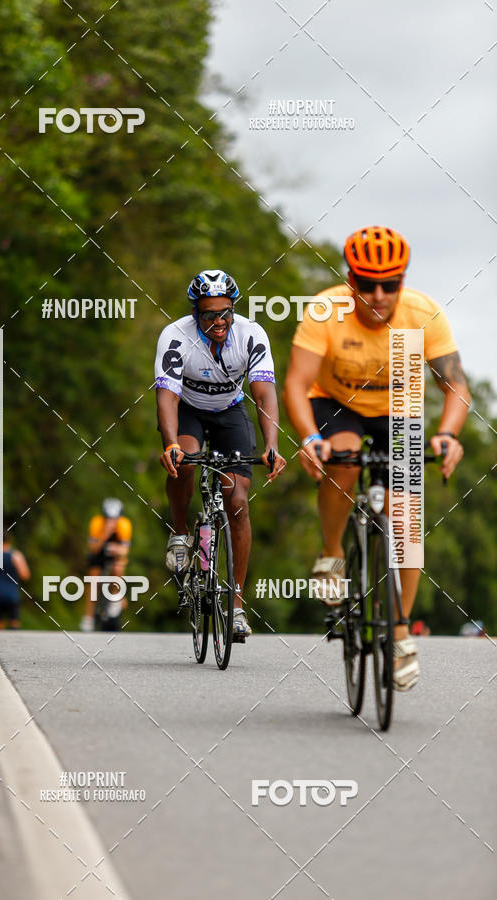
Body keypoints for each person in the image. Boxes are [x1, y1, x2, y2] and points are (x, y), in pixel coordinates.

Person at [283, 225, 470, 690]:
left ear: (402, 281)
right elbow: (295, 382)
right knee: (343, 458)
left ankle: (401, 631)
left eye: (391, 284)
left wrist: (447, 434)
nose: (380, 295)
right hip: (334, 400)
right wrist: (308, 438)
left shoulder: (421, 314)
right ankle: (331, 555)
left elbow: (456, 387)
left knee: (406, 517)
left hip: (399, 402)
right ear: (351, 280)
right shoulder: (327, 311)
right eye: (368, 284)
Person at [155, 269, 286, 639]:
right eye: (209, 313)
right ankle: (180, 533)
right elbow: (167, 397)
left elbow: (263, 394)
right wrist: (170, 443)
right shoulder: (175, 336)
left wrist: (272, 444)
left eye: (225, 312)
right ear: (195, 312)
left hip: (230, 412)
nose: (218, 321)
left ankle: (237, 605)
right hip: (189, 412)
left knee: (238, 499)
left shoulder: (251, 334)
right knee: (184, 460)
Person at [80, 498, 132, 633]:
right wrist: (105, 534)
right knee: (93, 579)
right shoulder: (97, 523)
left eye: (114, 518)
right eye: (108, 518)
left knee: (118, 567)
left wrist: (117, 549)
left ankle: (115, 597)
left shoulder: (124, 525)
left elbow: (125, 550)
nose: (111, 521)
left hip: (115, 553)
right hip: (99, 551)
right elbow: (93, 549)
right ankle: (88, 617)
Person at [0, 532, 30, 629]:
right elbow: (25, 575)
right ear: (10, 541)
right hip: (12, 593)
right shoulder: (16, 555)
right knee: (14, 621)